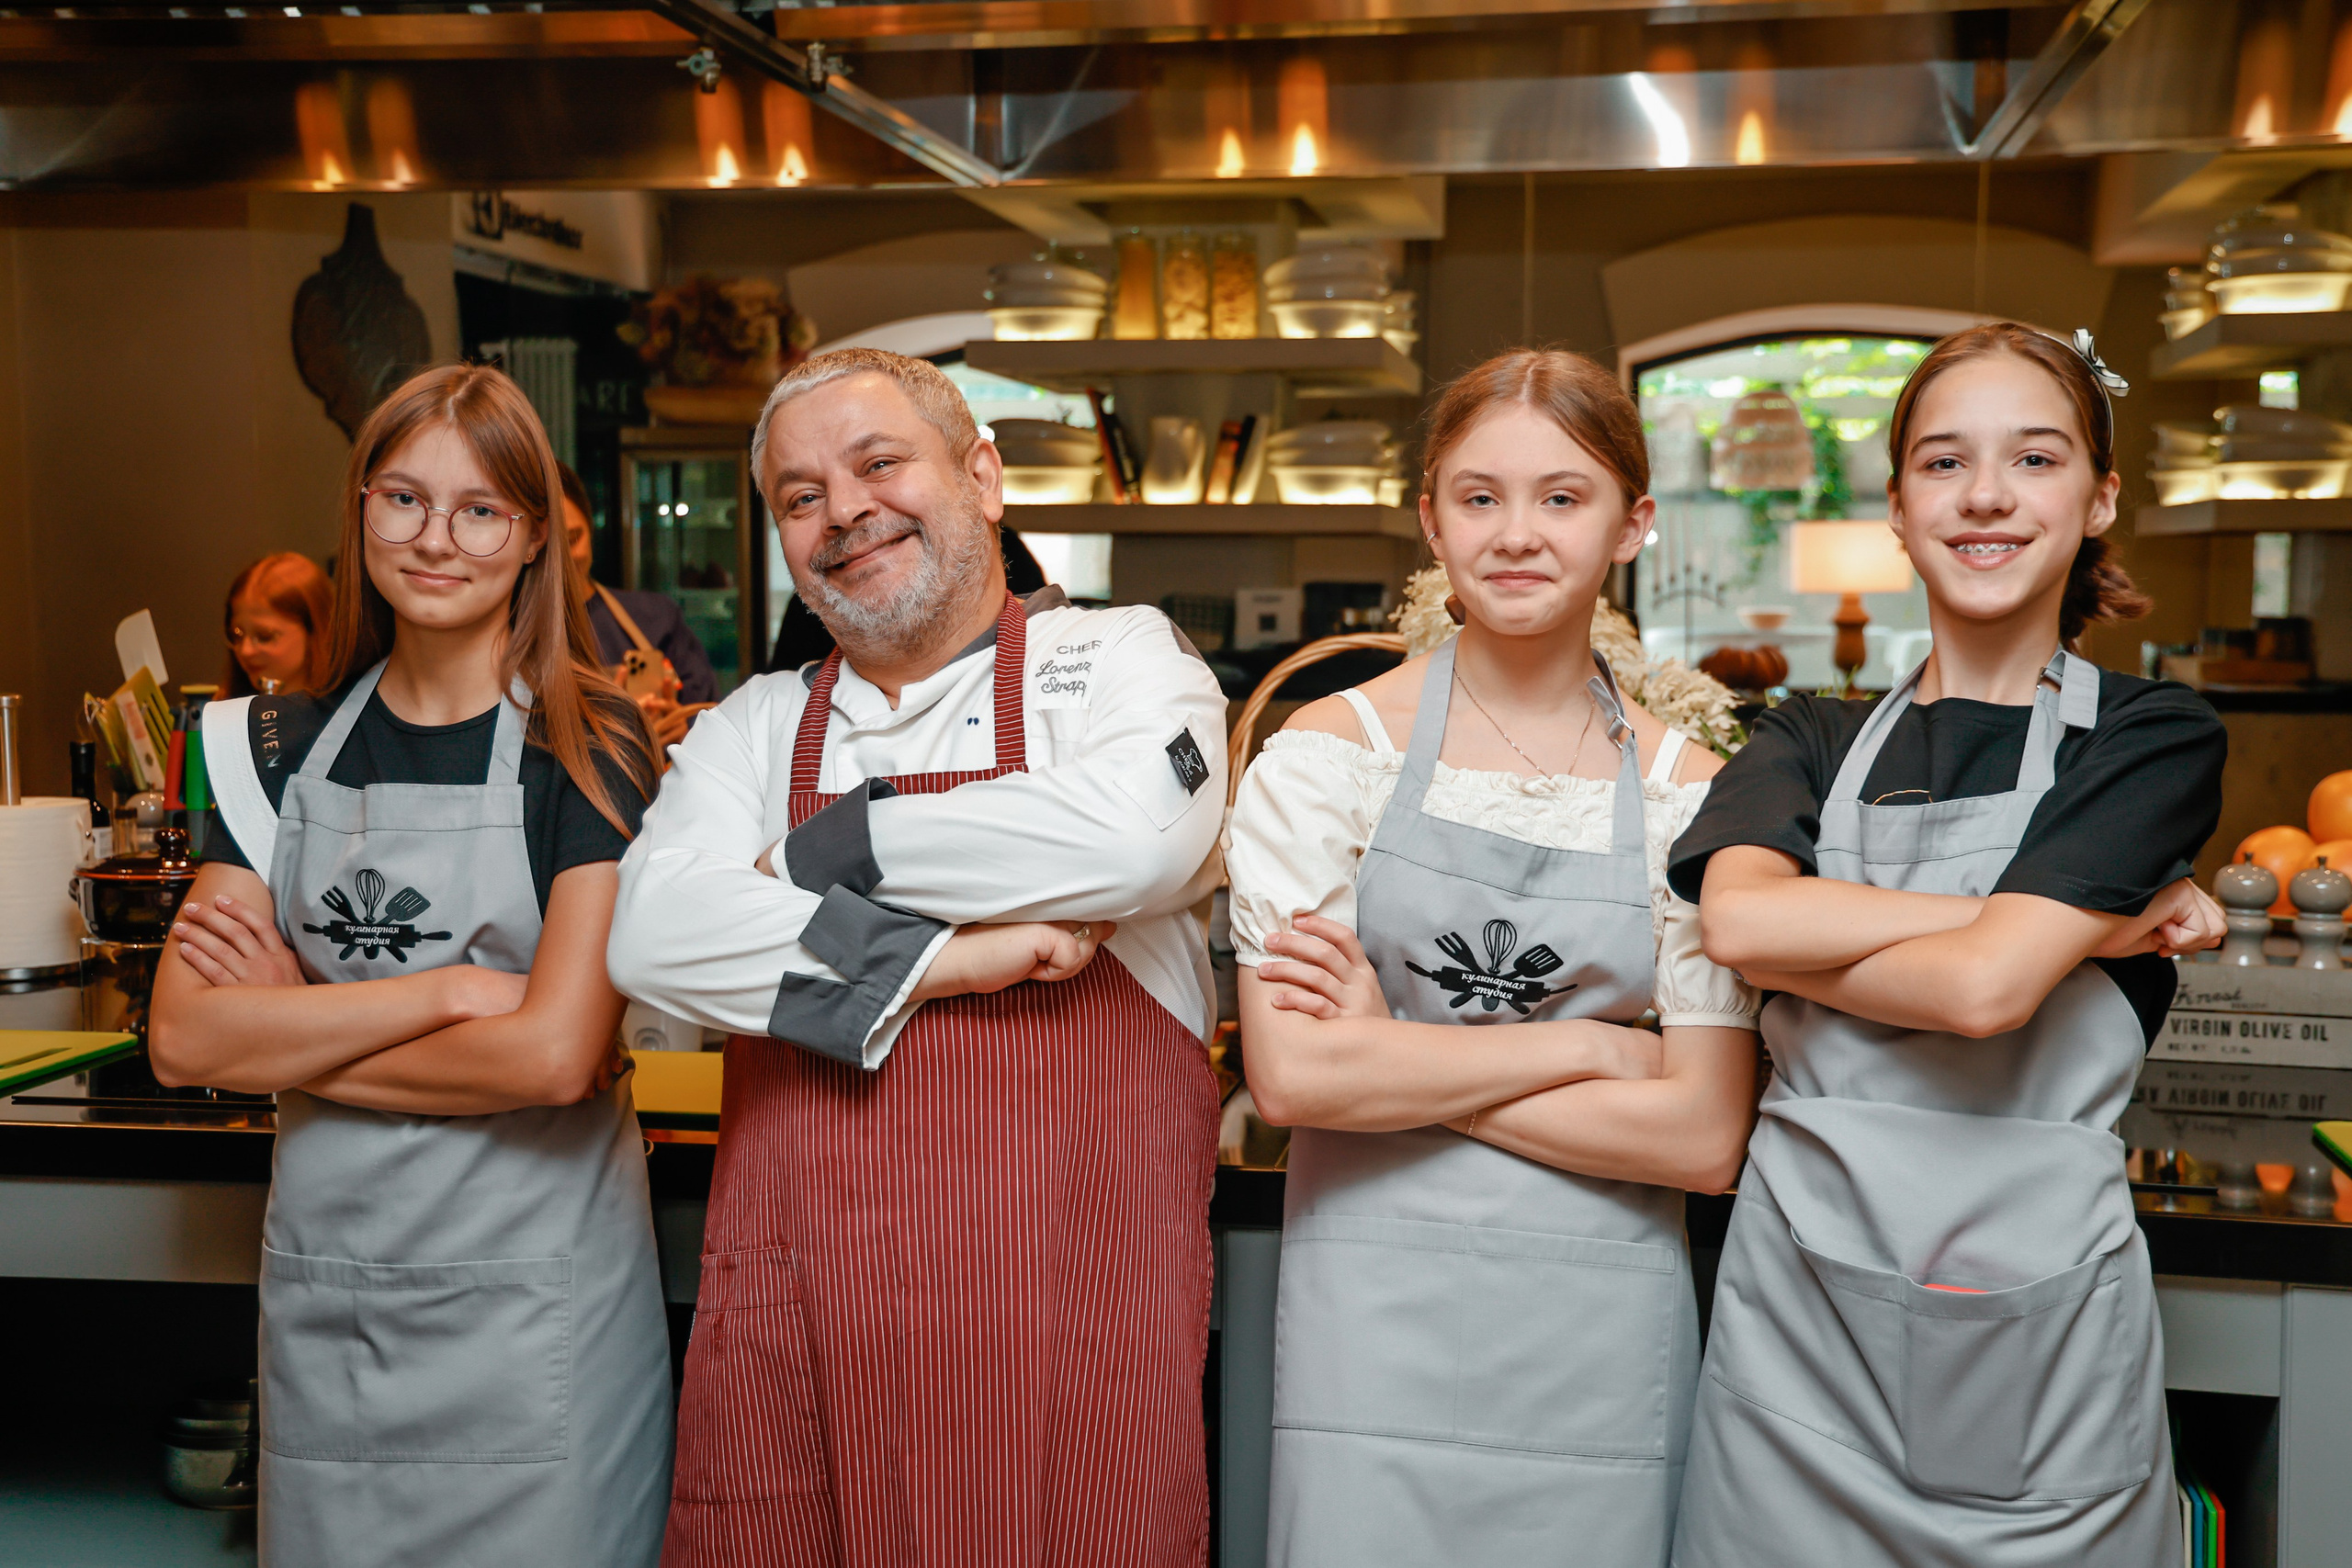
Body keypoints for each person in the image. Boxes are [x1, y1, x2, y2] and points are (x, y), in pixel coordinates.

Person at [605, 346, 1227, 1567]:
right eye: (801, 495)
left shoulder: (1116, 662)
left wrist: (828, 848)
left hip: (1069, 1339)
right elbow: (655, 935)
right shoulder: (754, 727)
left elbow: (1134, 839)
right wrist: (954, 962)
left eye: (879, 463)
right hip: (808, 1334)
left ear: (983, 478)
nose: (844, 510)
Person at [1667, 325, 2229, 1568]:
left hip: (2039, 1342)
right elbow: (1741, 922)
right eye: (1943, 461)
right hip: (1798, 1340)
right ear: (1899, 508)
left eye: (2033, 458)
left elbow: (1983, 992)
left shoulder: (2149, 737)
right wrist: (2091, 924)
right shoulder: (1805, 732)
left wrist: (1942, 941)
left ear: (2099, 498)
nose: (1985, 495)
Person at [1225, 348, 1763, 1567]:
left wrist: (1391, 1054)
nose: (1517, 533)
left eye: (1562, 497)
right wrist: (1595, 1051)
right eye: (1480, 496)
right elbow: (1297, 1081)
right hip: (1373, 1323)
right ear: (1431, 520)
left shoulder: (1693, 795)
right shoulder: (1327, 756)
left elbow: (1700, 1138)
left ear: (1633, 523)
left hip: (1601, 1333)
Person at [149, 365, 673, 1567]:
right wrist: (448, 993)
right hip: (336, 1314)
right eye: (404, 498)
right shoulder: (266, 747)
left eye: (481, 509)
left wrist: (292, 1026)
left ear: (533, 535)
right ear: (360, 508)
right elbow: (182, 1039)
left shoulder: (589, 742)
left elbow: (555, 1059)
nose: (437, 538)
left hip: (542, 1330)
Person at [560, 461, 718, 754]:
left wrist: (685, 730)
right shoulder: (507, 634)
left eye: (572, 539)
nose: (561, 559)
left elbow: (712, 716)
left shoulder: (655, 618)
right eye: (548, 547)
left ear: (591, 530)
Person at [222, 550, 334, 697]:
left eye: (264, 636)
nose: (245, 651)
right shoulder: (220, 708)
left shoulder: (350, 708)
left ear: (313, 631)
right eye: (237, 635)